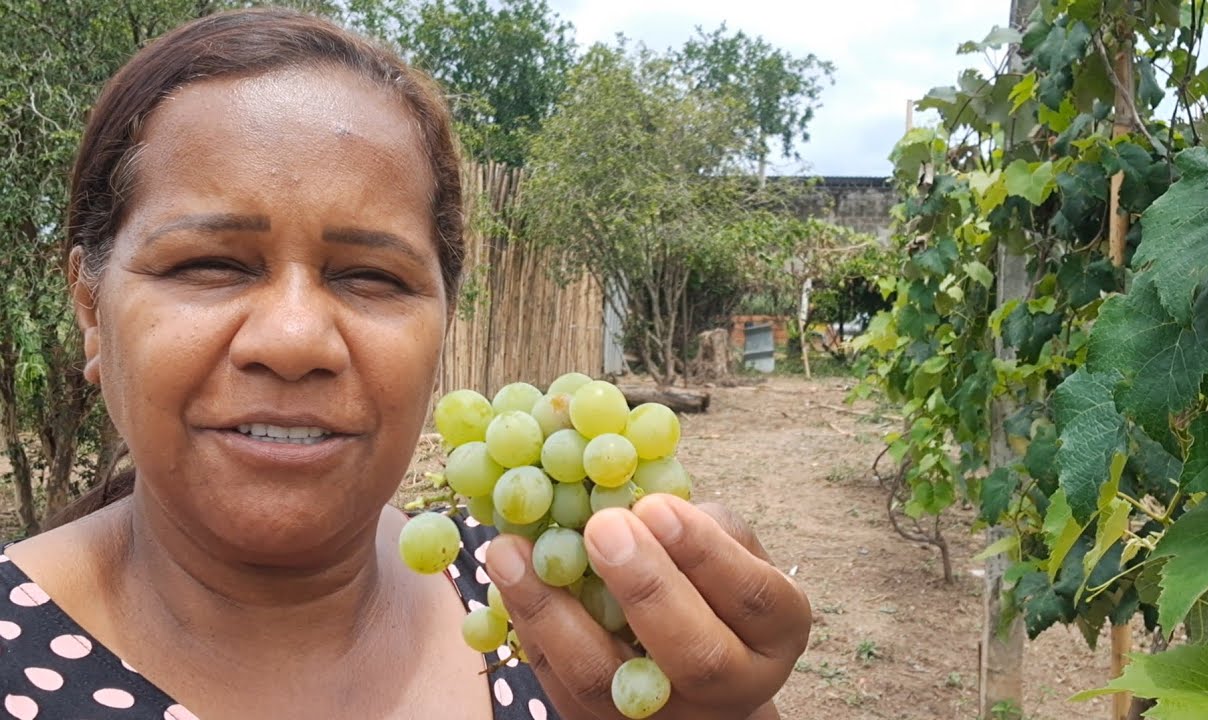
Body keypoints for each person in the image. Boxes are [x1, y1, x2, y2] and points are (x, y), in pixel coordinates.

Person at [0, 8, 812, 719]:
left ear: (444, 322)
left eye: (372, 277)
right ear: (90, 310)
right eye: (209, 264)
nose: (293, 339)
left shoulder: (550, 608)